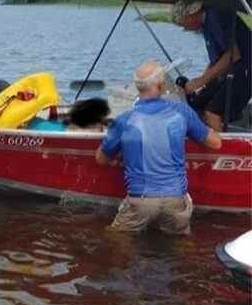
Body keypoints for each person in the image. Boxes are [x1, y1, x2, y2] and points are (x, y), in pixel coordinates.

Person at [95, 60, 221, 235]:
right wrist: (207, 127)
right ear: (161, 86)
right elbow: (216, 143)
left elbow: (101, 159)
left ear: (137, 88)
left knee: (116, 238)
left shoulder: (123, 120)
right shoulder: (182, 111)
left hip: (140, 200)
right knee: (181, 244)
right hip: (175, 198)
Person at [171, 0, 251, 130]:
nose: (184, 29)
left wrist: (201, 80)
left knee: (212, 113)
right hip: (231, 70)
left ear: (191, 15)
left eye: (183, 24)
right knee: (196, 104)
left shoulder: (216, 17)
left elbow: (233, 55)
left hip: (245, 69)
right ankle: (207, 137)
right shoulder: (207, 25)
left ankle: (220, 148)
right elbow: (217, 60)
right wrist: (202, 81)